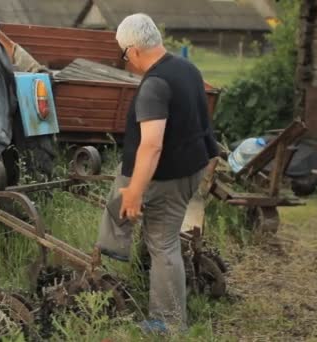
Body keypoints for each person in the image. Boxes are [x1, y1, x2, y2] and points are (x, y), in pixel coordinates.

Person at [96, 13, 218, 333]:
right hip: (192, 167)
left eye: (124, 55)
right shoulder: (187, 68)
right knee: (127, 208)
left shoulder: (154, 86)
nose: (127, 62)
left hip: (167, 176)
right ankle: (116, 255)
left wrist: (136, 191)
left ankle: (168, 322)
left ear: (134, 50)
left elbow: (152, 146)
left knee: (162, 244)